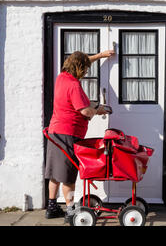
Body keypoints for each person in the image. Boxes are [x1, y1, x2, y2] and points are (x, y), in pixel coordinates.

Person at [45, 50, 115, 222]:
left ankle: (52, 207)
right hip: (68, 133)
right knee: (68, 175)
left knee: (55, 172)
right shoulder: (74, 85)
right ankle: (70, 212)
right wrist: (98, 110)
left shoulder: (62, 77)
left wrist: (99, 56)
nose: (85, 73)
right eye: (85, 69)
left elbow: (79, 61)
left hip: (55, 132)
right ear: (79, 68)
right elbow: (84, 111)